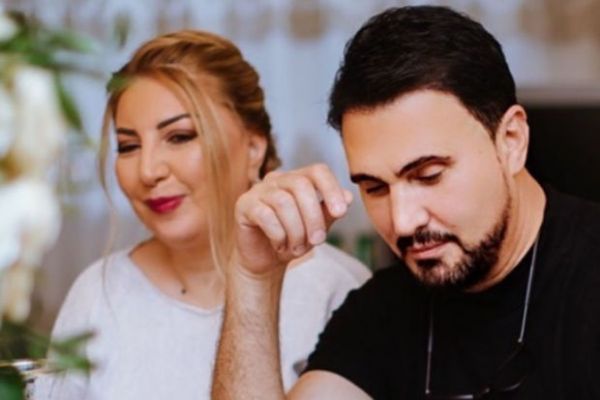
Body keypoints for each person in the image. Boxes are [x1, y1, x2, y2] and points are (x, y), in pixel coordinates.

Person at [212, 5, 600, 400]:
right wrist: (253, 277)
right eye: (375, 188)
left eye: (429, 176)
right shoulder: (382, 312)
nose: (402, 221)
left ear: (511, 141)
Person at [33, 30, 370, 400]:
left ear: (254, 148)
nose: (148, 171)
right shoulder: (97, 293)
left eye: (180, 136)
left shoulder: (336, 288)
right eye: (128, 146)